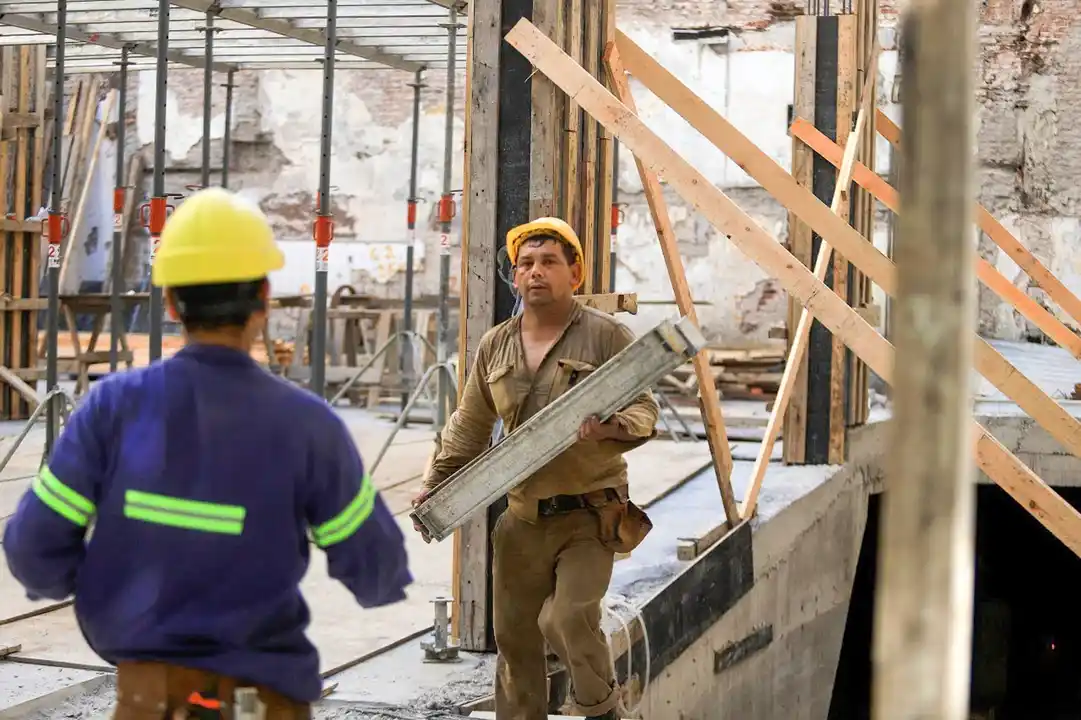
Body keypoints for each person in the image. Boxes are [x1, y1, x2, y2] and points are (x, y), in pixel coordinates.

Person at [3, 188, 412, 719]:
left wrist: (88, 587)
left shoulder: (112, 407)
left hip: (148, 699)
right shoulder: (309, 425)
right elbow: (377, 569)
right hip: (264, 701)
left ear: (171, 304)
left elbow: (32, 548)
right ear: (264, 299)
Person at [412, 217, 659, 720]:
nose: (536, 272)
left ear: (575, 273)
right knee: (515, 641)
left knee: (566, 618)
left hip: (592, 517)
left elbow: (645, 411)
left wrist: (612, 425)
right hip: (522, 520)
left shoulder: (607, 337)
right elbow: (468, 426)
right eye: (526, 264)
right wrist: (433, 488)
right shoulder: (495, 346)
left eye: (549, 262)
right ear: (516, 276)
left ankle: (599, 709)